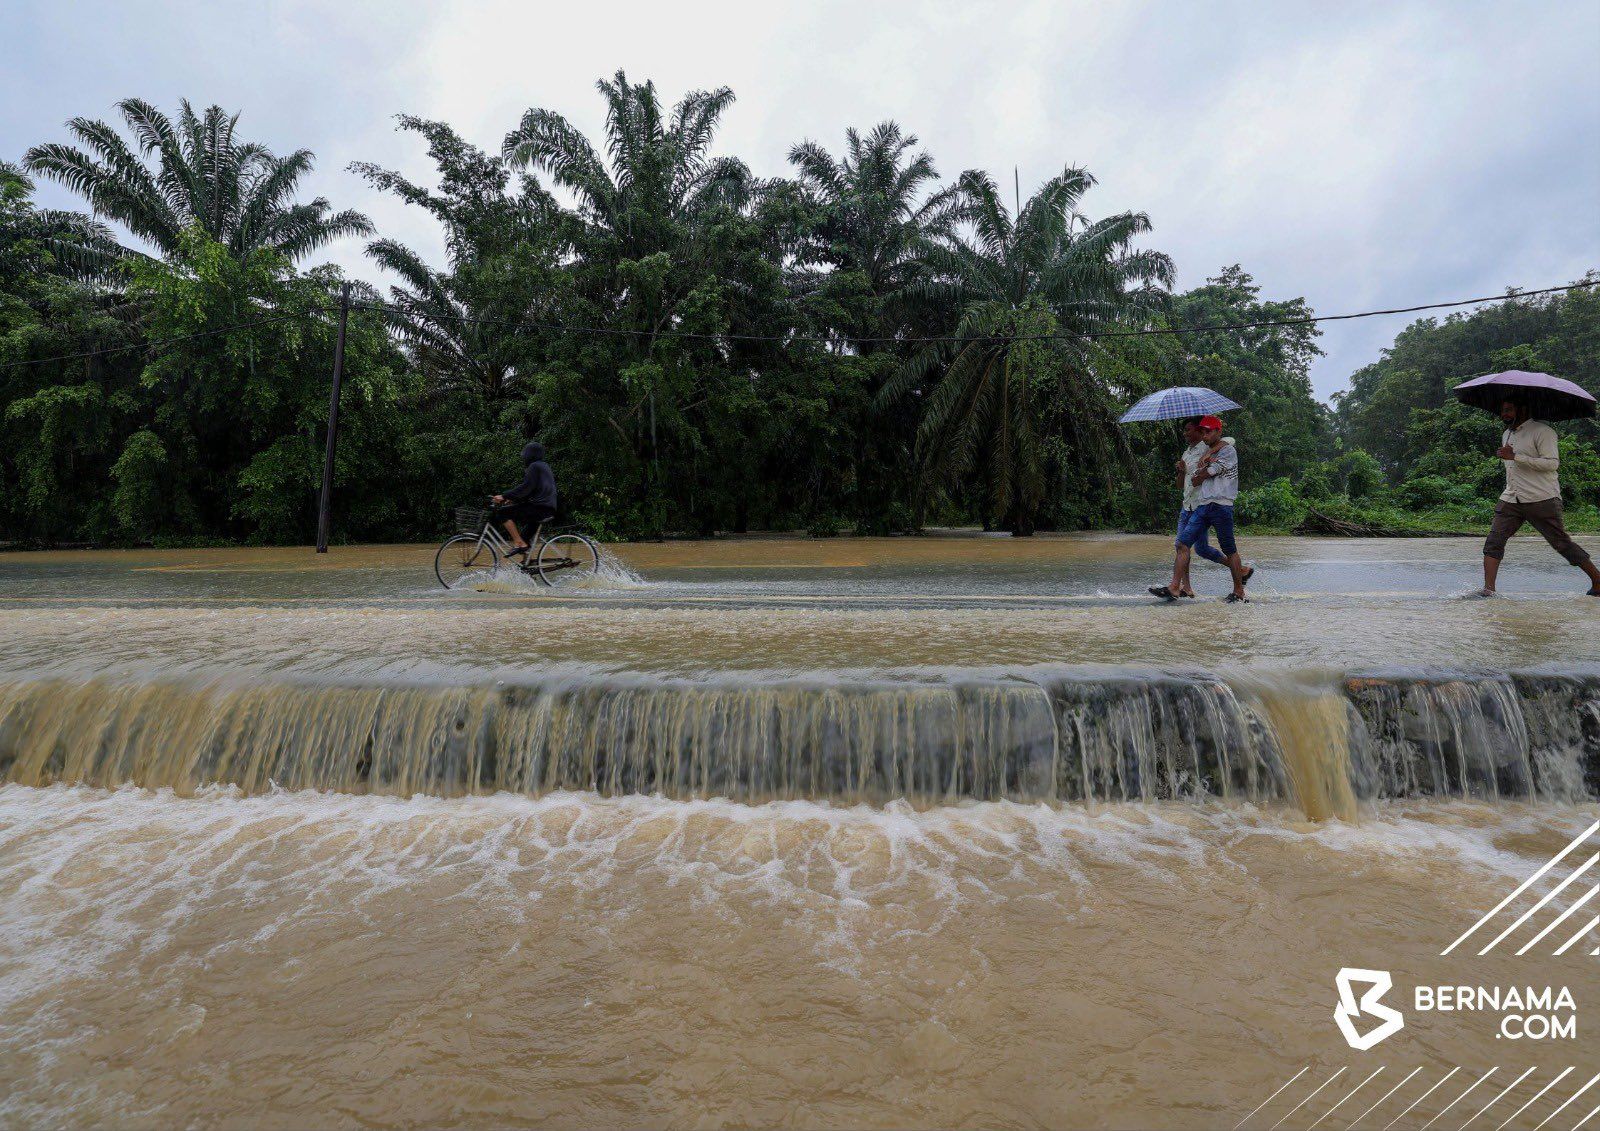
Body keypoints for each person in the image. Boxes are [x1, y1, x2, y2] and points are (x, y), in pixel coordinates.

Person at [1479, 399, 1600, 596]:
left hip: (1541, 498)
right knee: (1494, 540)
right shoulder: (1506, 434)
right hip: (1511, 497)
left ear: (1523, 408)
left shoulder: (1543, 432)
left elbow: (1552, 464)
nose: (1504, 415)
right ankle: (1488, 591)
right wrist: (1511, 458)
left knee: (1560, 543)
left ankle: (1598, 580)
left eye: (1509, 410)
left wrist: (1516, 456)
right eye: (1502, 411)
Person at [1149, 415, 1254, 603]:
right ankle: (1175, 587)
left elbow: (1214, 465)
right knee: (1182, 544)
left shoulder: (1224, 449)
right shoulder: (1193, 452)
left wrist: (1205, 463)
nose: (1205, 435)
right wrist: (1185, 470)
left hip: (1222, 506)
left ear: (1216, 432)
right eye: (1203, 431)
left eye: (1207, 431)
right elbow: (1185, 482)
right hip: (1201, 505)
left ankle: (1239, 590)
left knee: (1228, 549)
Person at [1169, 417, 1233, 597]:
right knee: (1197, 548)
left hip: (1202, 505)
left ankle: (1179, 586)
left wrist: (1207, 455)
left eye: (1188, 429)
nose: (1185, 433)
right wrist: (1181, 471)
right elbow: (1180, 485)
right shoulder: (1186, 453)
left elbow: (1229, 441)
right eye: (1184, 430)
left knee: (1182, 545)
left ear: (1199, 431)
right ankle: (1186, 587)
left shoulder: (1209, 448)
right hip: (1187, 504)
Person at [492, 441, 558, 559]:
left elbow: (526, 487)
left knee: (503, 512)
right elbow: (533, 490)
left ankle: (518, 543)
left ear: (530, 455)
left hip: (540, 508)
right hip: (547, 508)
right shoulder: (543, 466)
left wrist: (504, 496)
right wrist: (513, 500)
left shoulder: (534, 466)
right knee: (524, 539)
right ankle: (527, 569)